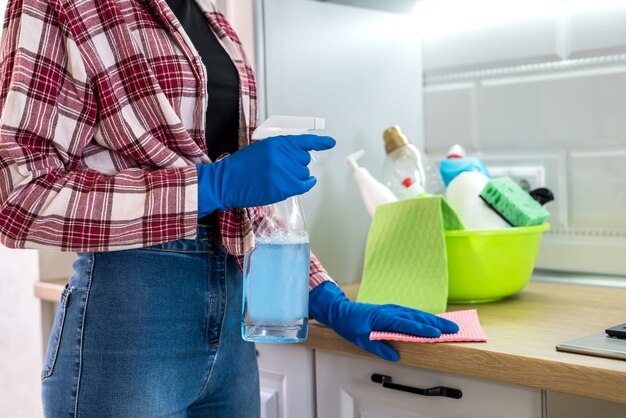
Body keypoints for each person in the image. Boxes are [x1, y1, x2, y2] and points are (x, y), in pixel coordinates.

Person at [0, 0, 459, 416]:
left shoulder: (215, 18)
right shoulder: (64, 5)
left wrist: (324, 298)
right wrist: (209, 183)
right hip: (128, 326)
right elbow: (20, 196)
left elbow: (240, 205)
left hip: (234, 330)